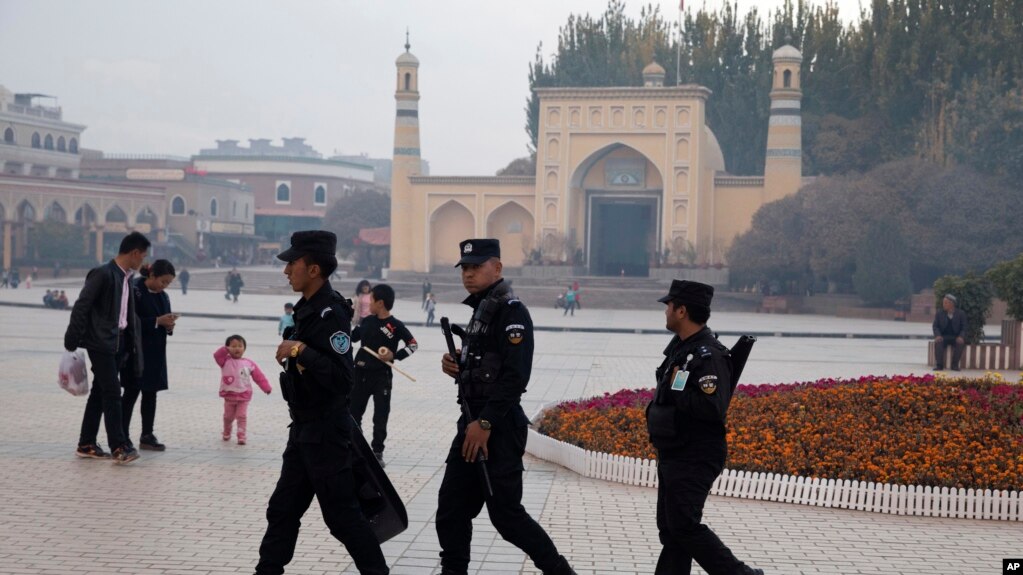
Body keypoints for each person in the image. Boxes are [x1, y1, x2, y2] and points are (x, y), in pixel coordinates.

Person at [255, 230, 390, 575]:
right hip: (303, 430)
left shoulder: (332, 315)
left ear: (313, 269)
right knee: (283, 509)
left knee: (343, 519)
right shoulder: (307, 311)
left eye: (292, 264)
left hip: (327, 434)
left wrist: (301, 350)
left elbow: (343, 378)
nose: (286, 271)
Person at [438, 238, 575, 575]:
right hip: (471, 423)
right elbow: (489, 364)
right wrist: (458, 362)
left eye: (476, 267)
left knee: (506, 516)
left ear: (496, 268)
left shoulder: (511, 311)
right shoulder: (483, 308)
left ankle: (559, 571)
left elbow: (515, 377)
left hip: (496, 427)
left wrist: (485, 423)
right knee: (451, 509)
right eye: (465, 268)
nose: (468, 274)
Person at [646, 280, 764, 575]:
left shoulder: (709, 356)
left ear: (682, 311)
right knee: (672, 530)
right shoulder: (682, 349)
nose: (666, 311)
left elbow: (713, 407)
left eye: (669, 306)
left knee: (684, 526)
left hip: (696, 454)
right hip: (675, 451)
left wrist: (677, 393)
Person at [63, 231, 150, 464]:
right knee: (113, 392)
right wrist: (71, 339)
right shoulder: (102, 274)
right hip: (100, 342)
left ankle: (86, 443)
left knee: (100, 393)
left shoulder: (126, 278)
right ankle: (119, 446)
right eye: (142, 256)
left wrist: (130, 343)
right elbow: (82, 305)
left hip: (117, 343)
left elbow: (126, 315)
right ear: (133, 253)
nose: (143, 260)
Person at [350, 283, 418, 467]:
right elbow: (351, 337)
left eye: (371, 300)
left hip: (382, 376)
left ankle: (377, 452)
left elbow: (413, 345)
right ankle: (355, 447)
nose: (368, 303)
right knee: (354, 412)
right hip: (360, 373)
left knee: (381, 415)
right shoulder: (367, 321)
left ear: (380, 303)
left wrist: (393, 356)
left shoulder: (395, 326)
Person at [122, 259, 177, 451]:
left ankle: (147, 434)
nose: (165, 286)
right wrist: (155, 321)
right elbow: (128, 320)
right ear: (152, 275)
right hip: (136, 352)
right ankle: (122, 436)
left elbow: (165, 321)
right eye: (163, 281)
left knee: (150, 394)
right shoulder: (134, 290)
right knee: (130, 393)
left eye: (168, 283)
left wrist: (169, 324)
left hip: (156, 352)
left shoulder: (164, 297)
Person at [214, 334, 271, 444]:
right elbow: (217, 355)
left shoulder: (249, 363)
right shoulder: (224, 361)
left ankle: (241, 435)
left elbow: (259, 377)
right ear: (228, 348)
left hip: (244, 395)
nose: (237, 348)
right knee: (228, 416)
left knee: (241, 416)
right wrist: (225, 349)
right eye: (233, 346)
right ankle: (226, 431)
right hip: (229, 394)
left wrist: (266, 387)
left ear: (244, 348)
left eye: (240, 346)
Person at [933, 293, 967, 371]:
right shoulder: (939, 313)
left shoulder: (961, 314)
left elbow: (964, 327)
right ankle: (939, 365)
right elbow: (935, 326)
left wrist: (961, 336)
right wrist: (937, 335)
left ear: (952, 304)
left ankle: (954, 365)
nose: (943, 305)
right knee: (938, 342)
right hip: (943, 336)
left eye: (946, 303)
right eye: (943, 303)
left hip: (956, 336)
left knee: (960, 343)